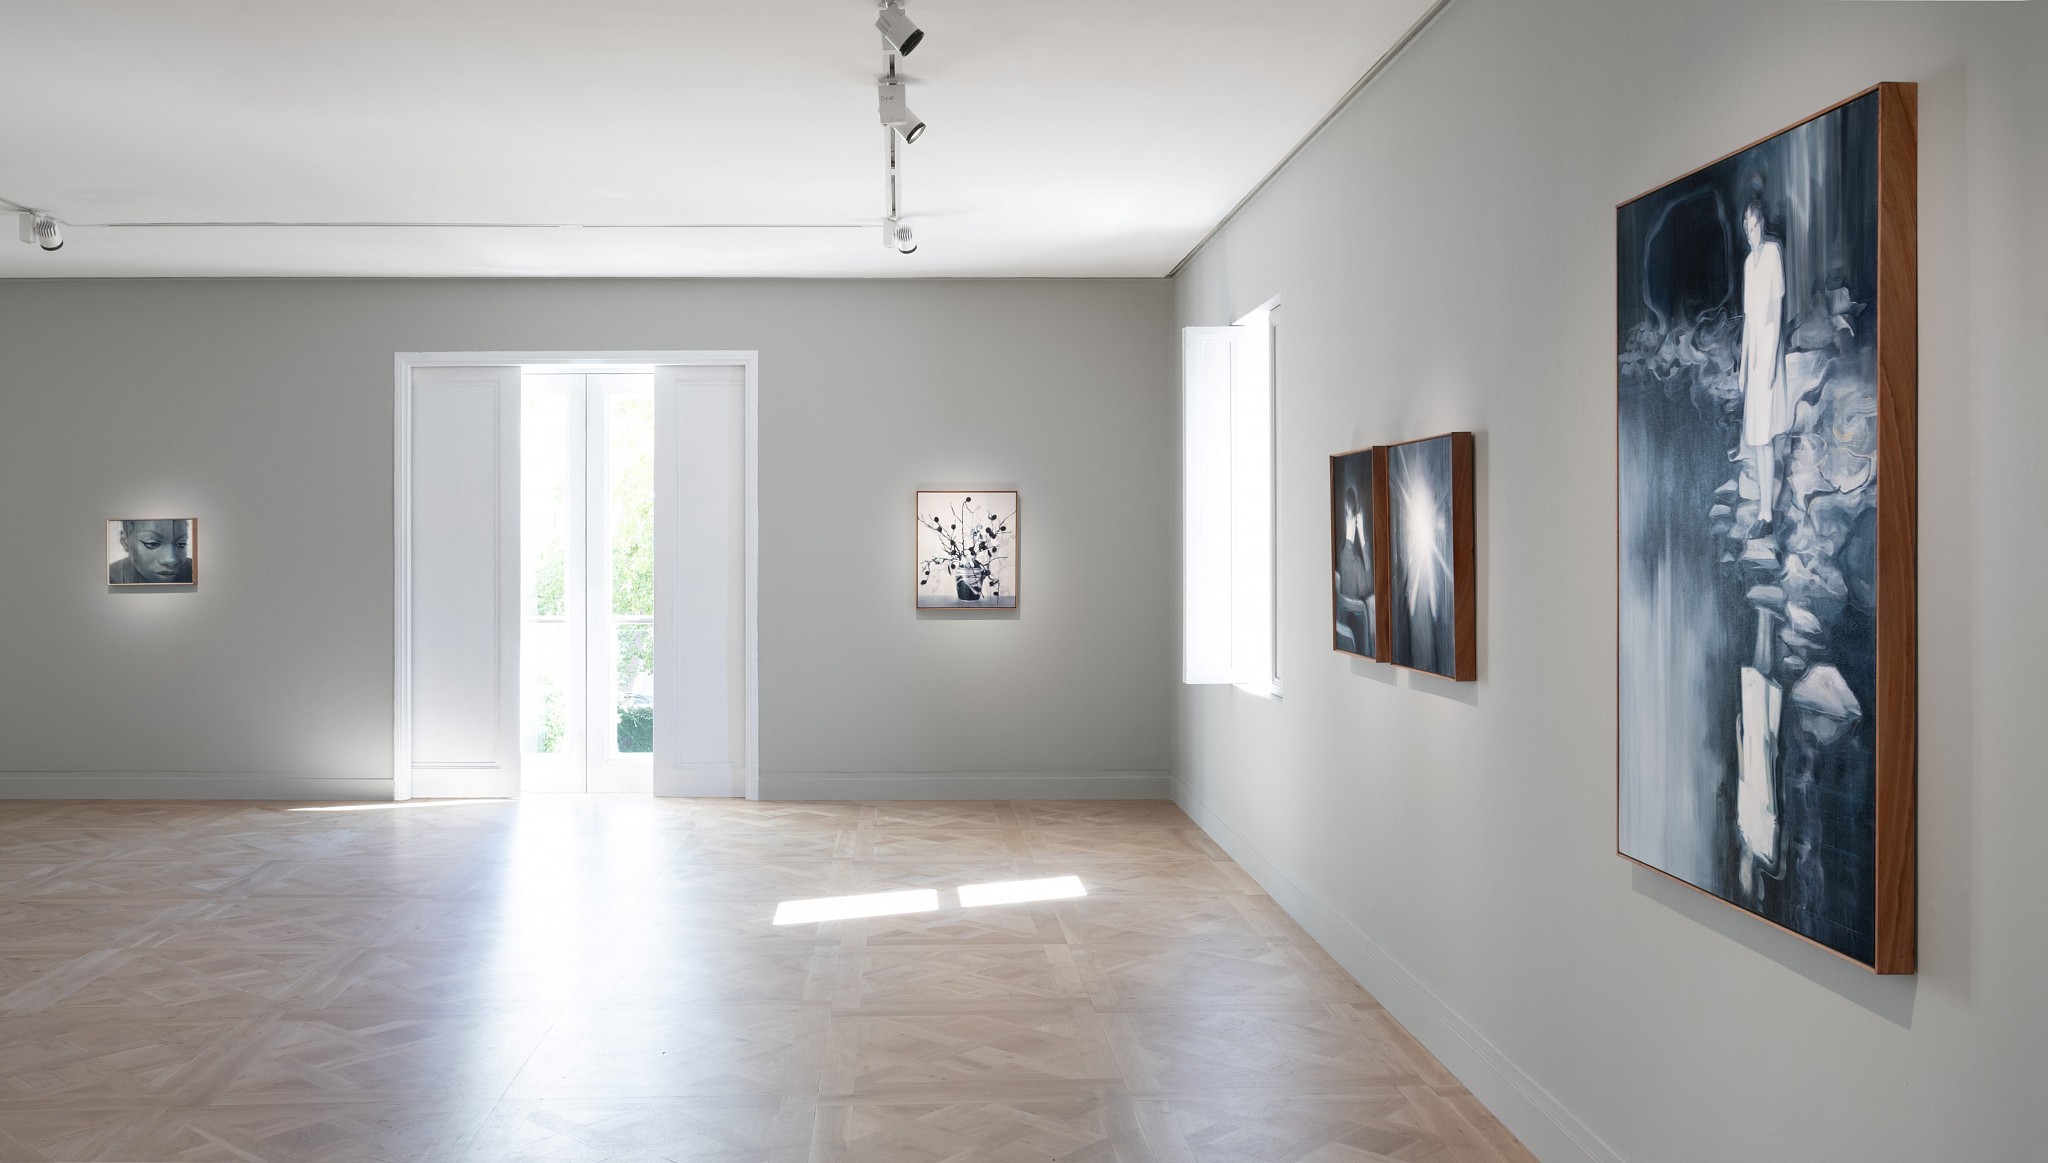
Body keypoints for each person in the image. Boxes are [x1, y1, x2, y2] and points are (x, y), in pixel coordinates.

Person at [1739, 198, 1790, 530]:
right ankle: (1762, 508)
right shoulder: (1748, 263)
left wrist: (1770, 364)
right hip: (1754, 351)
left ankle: (1767, 512)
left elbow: (1777, 309)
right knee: (1756, 435)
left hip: (1769, 349)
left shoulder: (1772, 253)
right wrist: (1743, 366)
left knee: (1766, 435)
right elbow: (1748, 319)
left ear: (1762, 224)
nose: (1750, 232)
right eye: (1746, 227)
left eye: (1754, 225)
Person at [110, 519, 193, 584]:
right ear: (125, 542)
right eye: (152, 544)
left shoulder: (194, 571)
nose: (171, 560)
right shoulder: (111, 576)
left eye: (181, 544)